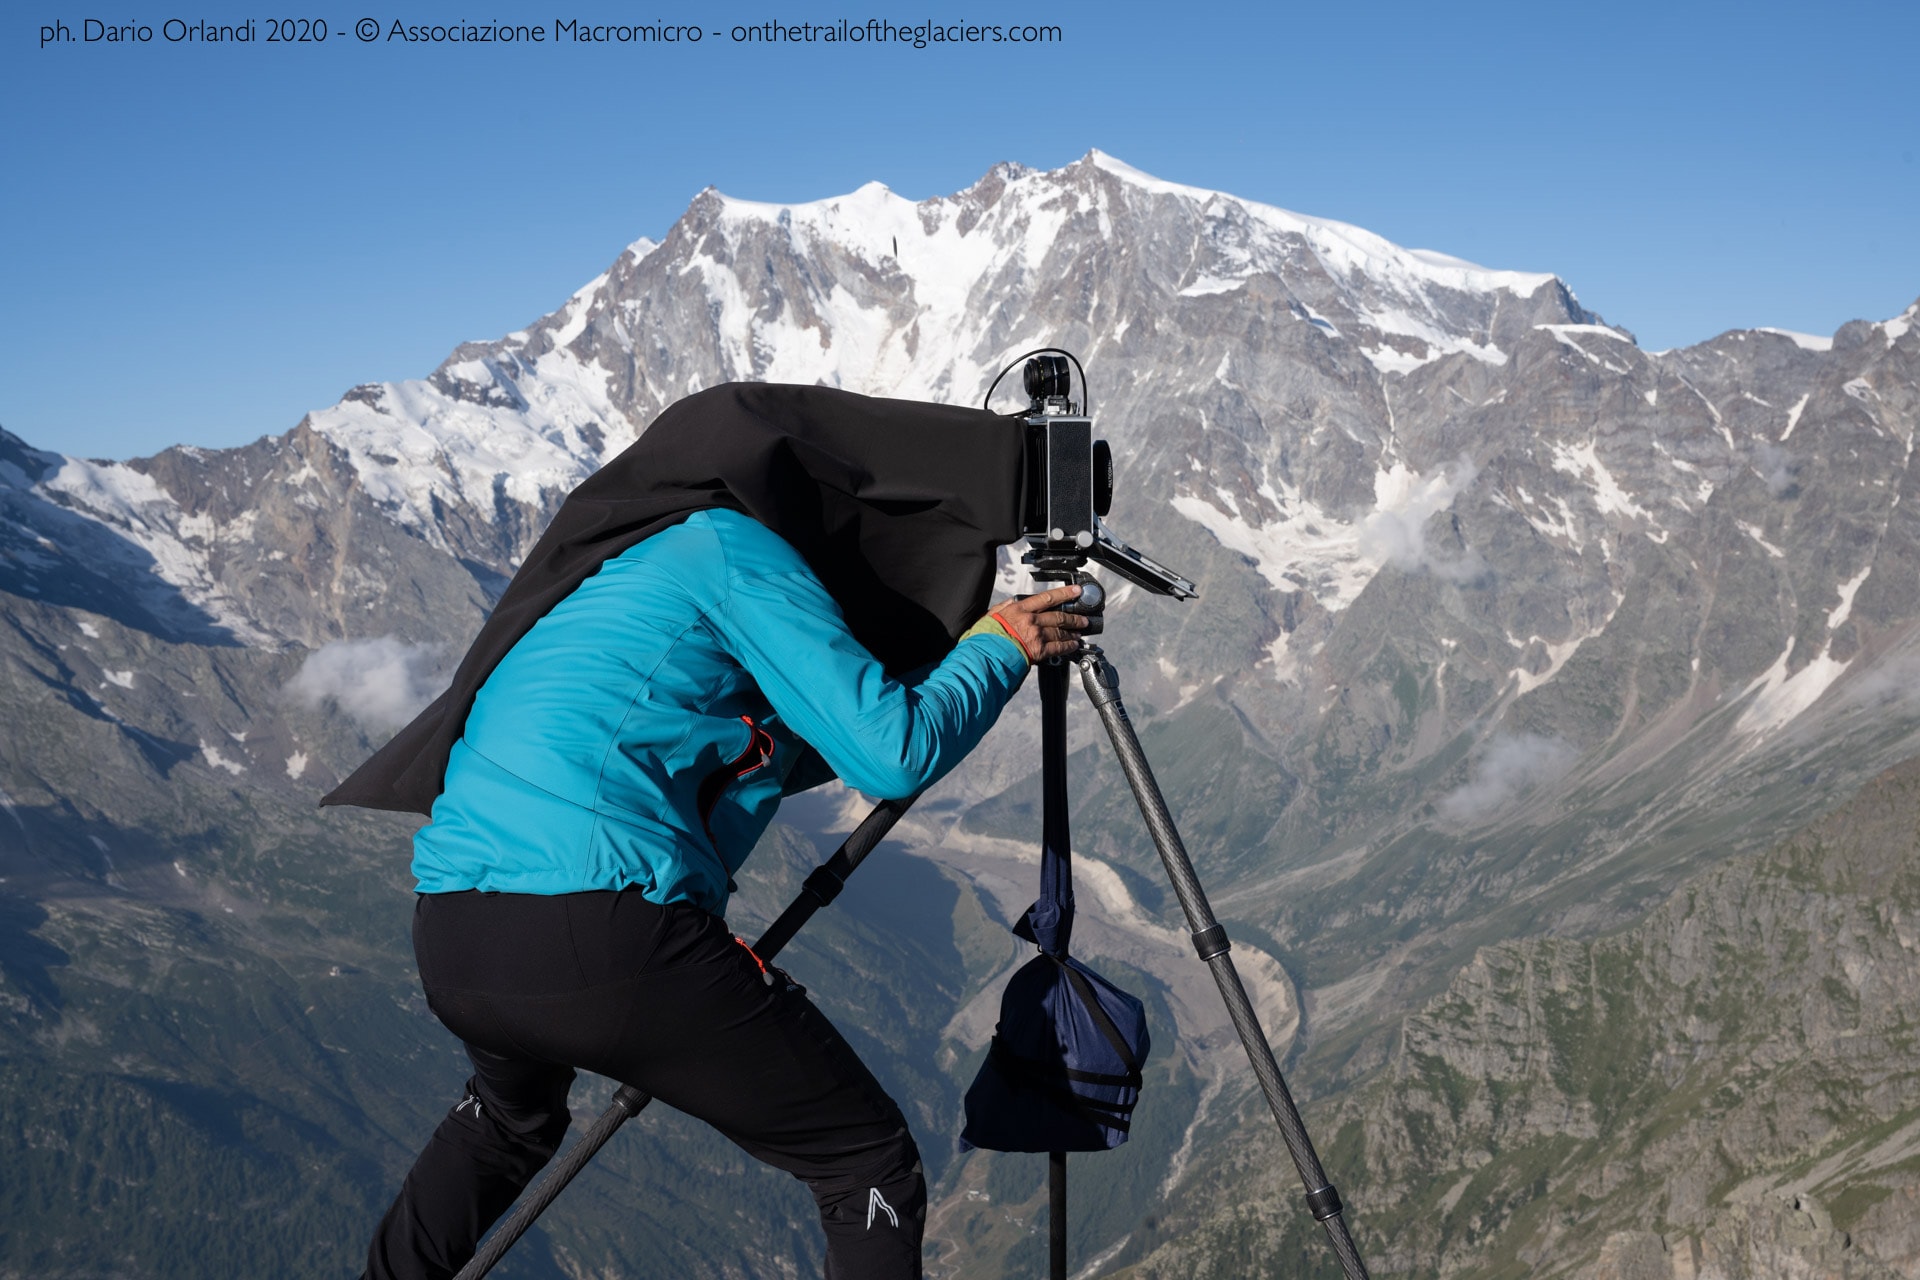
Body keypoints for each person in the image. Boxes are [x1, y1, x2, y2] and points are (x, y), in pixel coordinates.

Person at [340, 385, 1090, 1280]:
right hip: (601, 934)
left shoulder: (616, 572)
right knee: (865, 1162)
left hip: (455, 930)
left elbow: (751, 750)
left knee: (506, 1124)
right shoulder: (730, 548)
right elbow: (893, 756)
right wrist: (1001, 644)